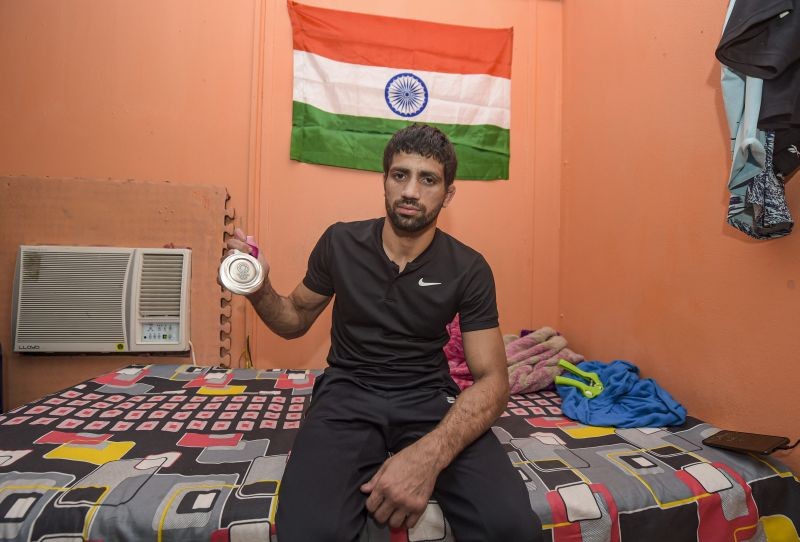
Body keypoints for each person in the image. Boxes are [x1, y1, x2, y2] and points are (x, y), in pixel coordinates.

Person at [225, 124, 541, 541]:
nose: (410, 191)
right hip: (347, 394)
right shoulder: (340, 242)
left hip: (429, 398)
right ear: (385, 181)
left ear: (447, 194)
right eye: (400, 175)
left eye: (428, 179)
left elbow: (493, 380)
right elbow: (294, 318)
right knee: (310, 531)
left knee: (510, 526)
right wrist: (259, 287)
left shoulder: (469, 268)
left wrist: (428, 457)